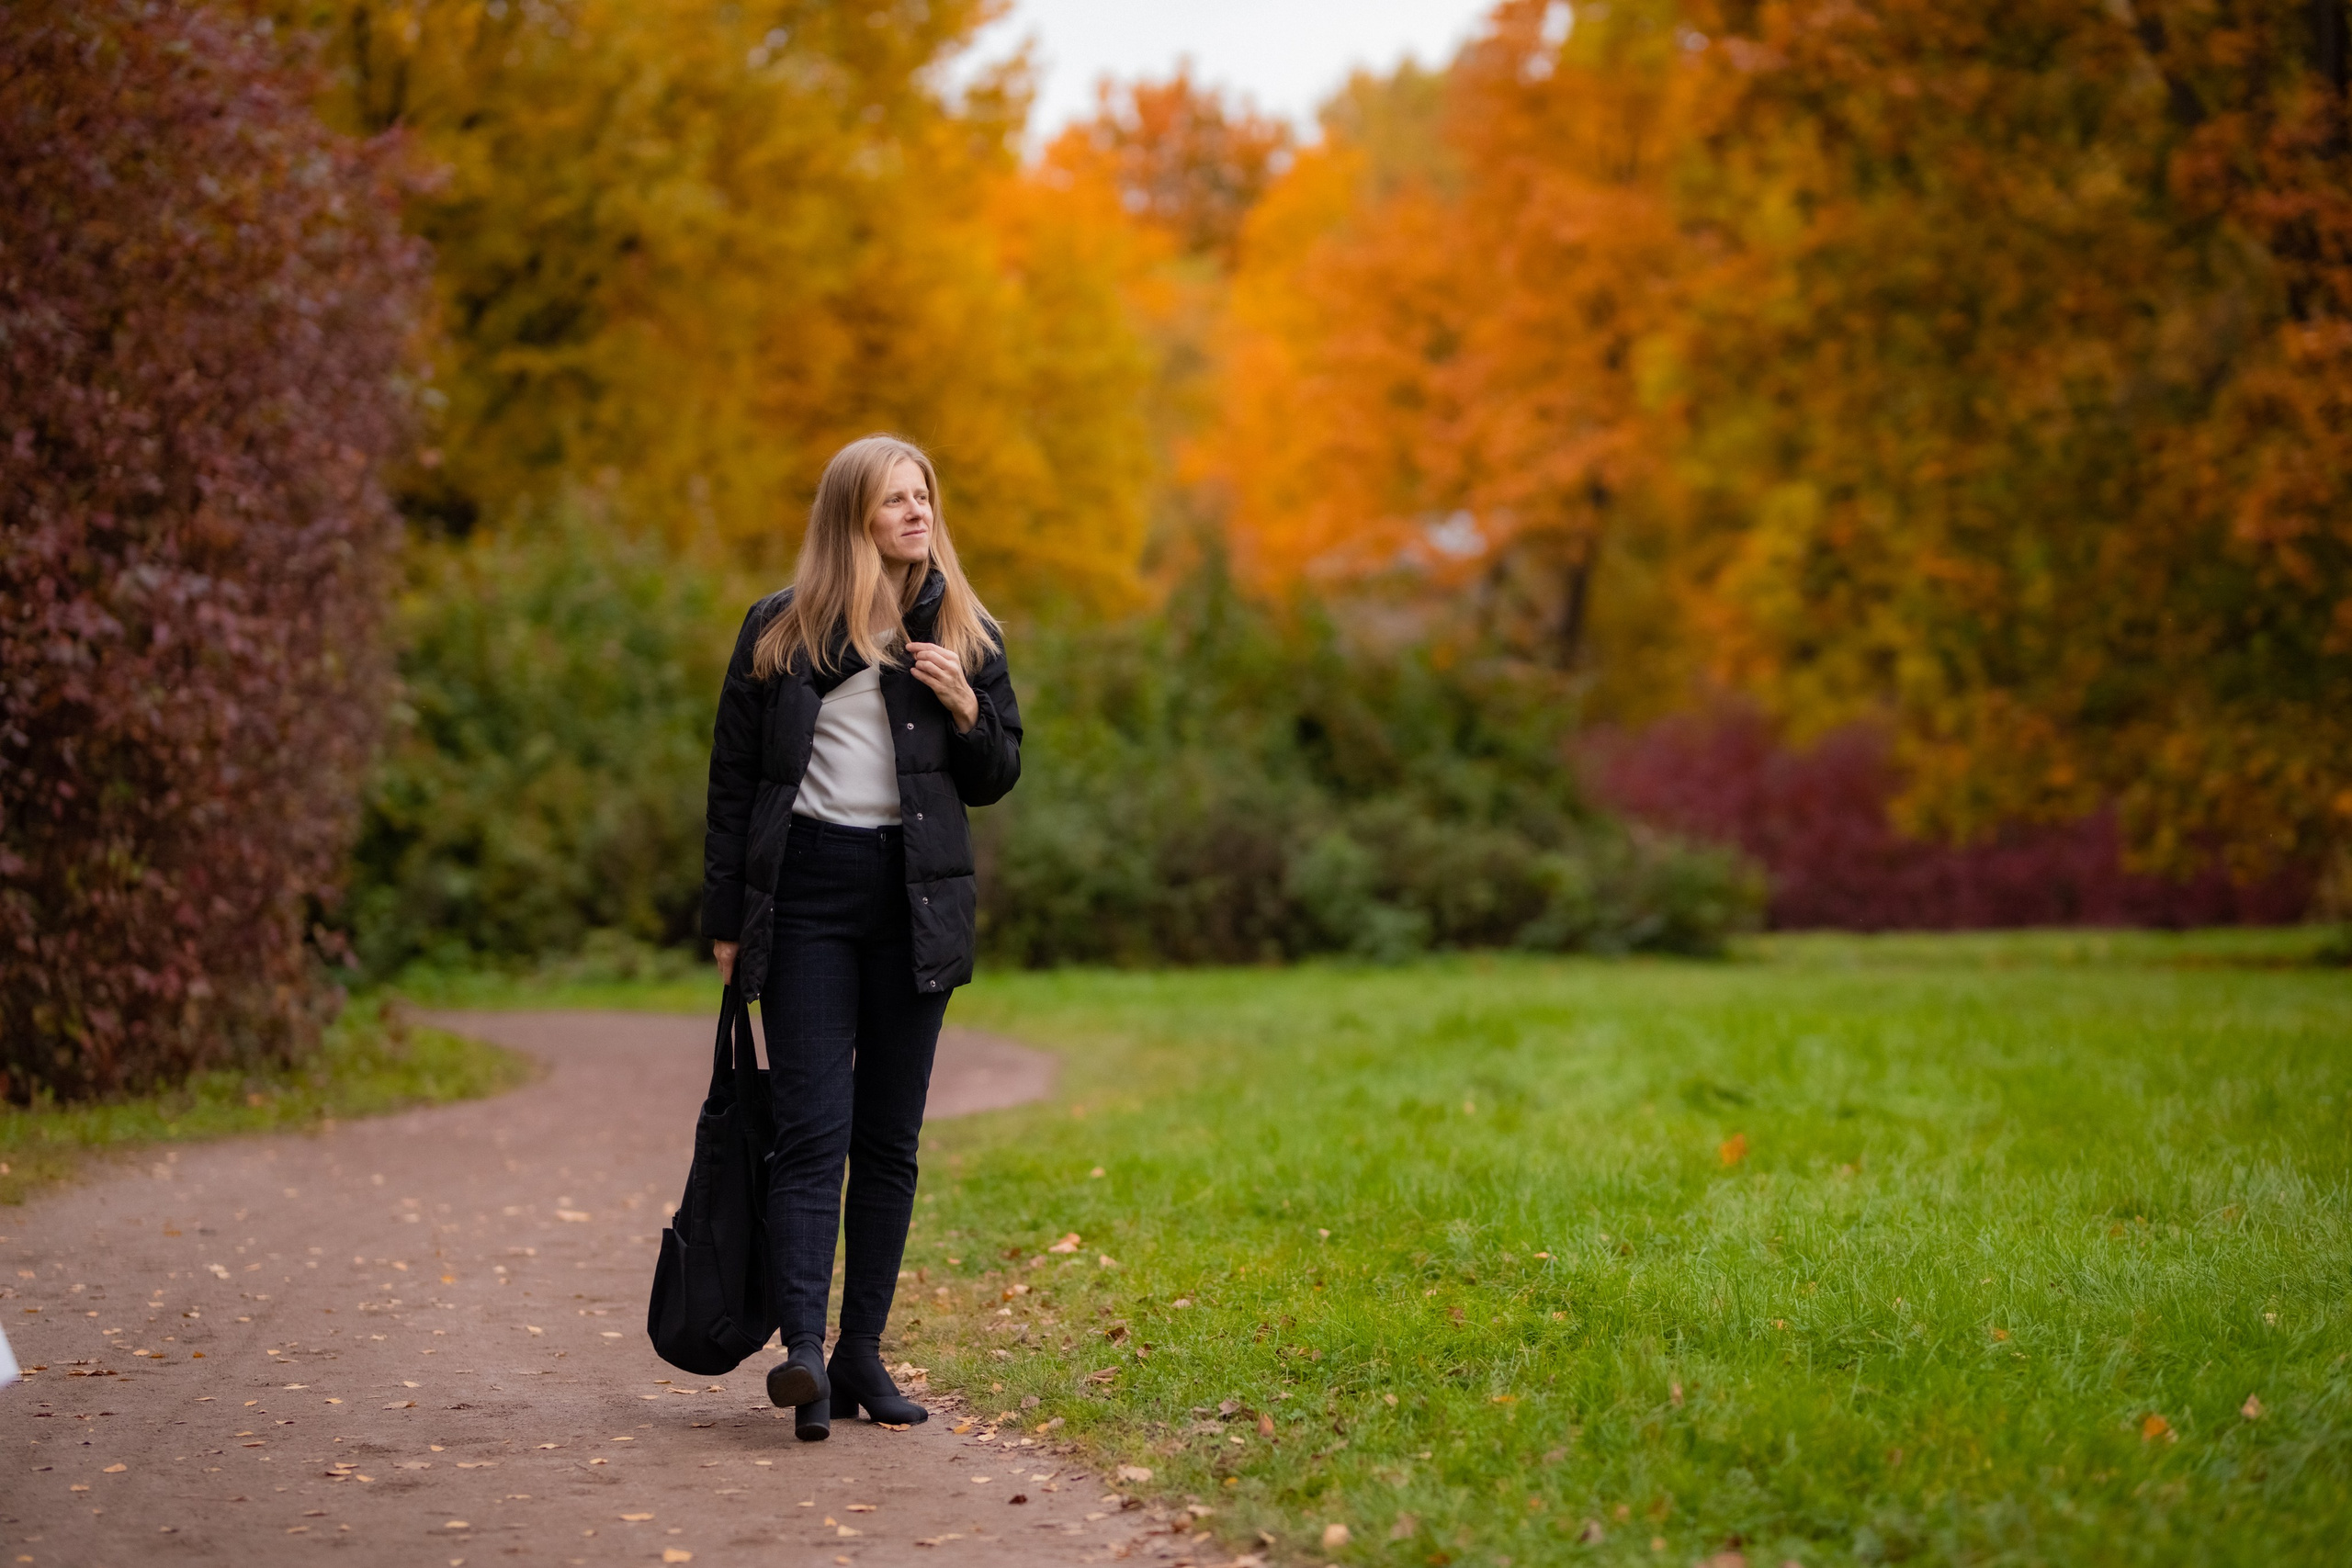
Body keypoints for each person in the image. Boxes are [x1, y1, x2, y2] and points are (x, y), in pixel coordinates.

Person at [700, 434, 1022, 1441]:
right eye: (893, 501)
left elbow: (999, 770)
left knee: (888, 1140)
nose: (916, 514)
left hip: (913, 898)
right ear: (853, 518)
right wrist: (724, 923)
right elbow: (731, 787)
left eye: (923, 496)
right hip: (805, 896)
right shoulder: (781, 635)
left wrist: (968, 709)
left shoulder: (965, 631)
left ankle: (861, 1354)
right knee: (810, 1131)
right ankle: (801, 1353)